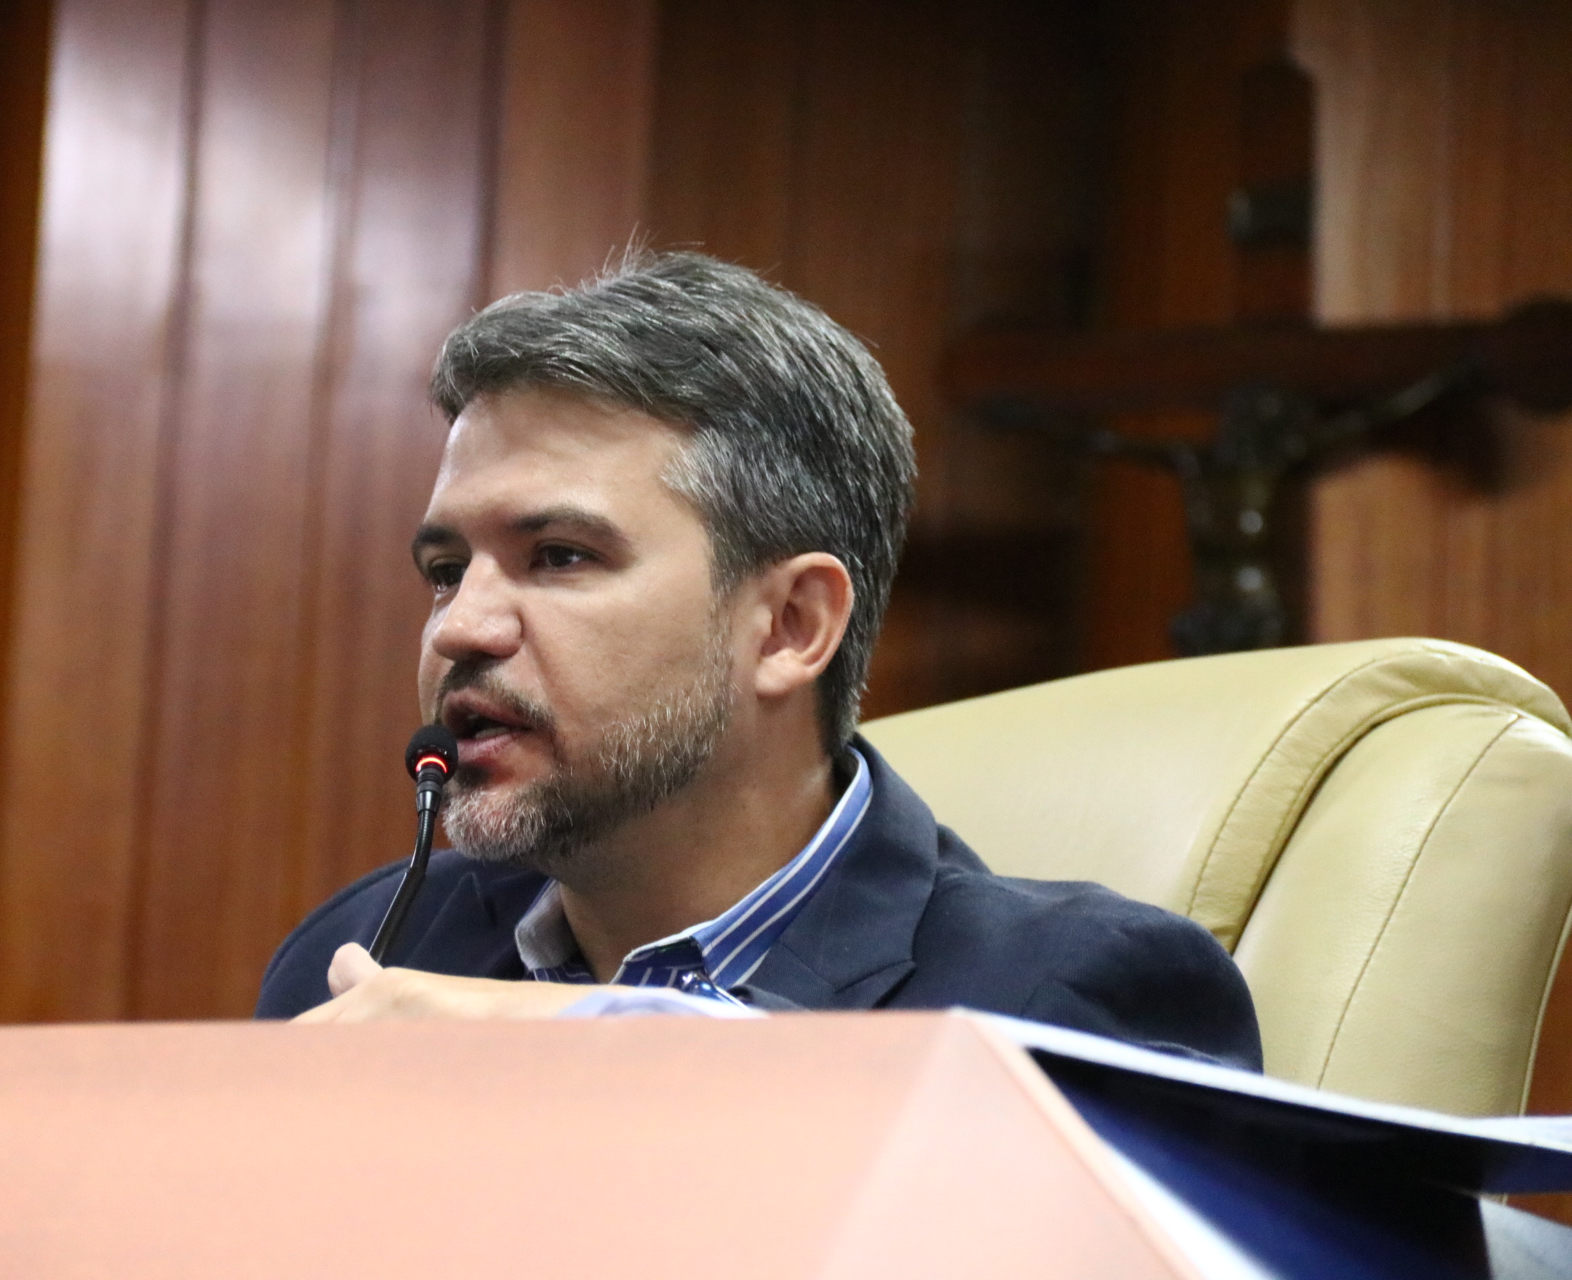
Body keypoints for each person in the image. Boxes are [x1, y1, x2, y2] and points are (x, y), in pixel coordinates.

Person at [255, 251, 1262, 1070]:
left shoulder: (1065, 997)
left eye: (558, 556)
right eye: (446, 569)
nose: (460, 628)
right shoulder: (370, 953)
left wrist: (621, 1042)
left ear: (788, 625)